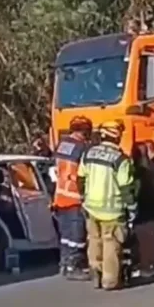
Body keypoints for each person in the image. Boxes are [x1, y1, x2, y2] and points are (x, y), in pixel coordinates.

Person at [77, 120, 136, 290]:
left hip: (91, 207)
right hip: (112, 210)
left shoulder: (88, 154)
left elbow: (81, 178)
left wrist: (83, 198)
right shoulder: (120, 159)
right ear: (117, 137)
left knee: (94, 240)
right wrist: (132, 208)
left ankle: (96, 273)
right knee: (111, 244)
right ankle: (109, 280)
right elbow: (126, 187)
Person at [52, 116, 92, 281]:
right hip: (75, 198)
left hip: (61, 198)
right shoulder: (82, 148)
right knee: (77, 237)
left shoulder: (62, 145)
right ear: (85, 132)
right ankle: (75, 267)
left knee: (66, 236)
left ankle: (64, 264)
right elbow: (83, 175)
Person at [132, 141, 154, 275]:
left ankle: (145, 266)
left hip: (142, 205)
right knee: (150, 238)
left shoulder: (138, 171)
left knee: (142, 238)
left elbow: (136, 190)